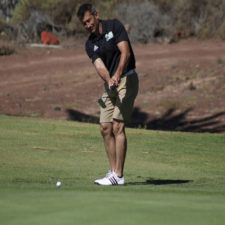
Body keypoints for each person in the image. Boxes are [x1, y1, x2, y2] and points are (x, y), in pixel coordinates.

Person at [77, 3, 139, 185]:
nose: (88, 25)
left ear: (96, 15)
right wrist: (109, 79)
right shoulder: (90, 44)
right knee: (105, 127)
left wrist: (117, 75)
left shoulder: (114, 26)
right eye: (84, 24)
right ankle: (113, 172)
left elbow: (125, 53)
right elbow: (99, 66)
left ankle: (118, 175)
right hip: (111, 85)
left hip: (127, 78)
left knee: (118, 125)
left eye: (89, 20)